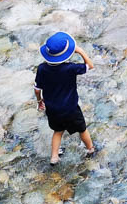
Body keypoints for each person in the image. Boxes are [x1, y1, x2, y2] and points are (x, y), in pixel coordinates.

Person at [33, 31, 96, 165]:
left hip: (53, 109)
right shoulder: (71, 68)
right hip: (71, 108)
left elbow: (37, 89)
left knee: (58, 131)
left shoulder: (42, 68)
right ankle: (90, 149)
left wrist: (39, 102)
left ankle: (54, 157)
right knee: (82, 129)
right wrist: (80, 51)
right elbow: (90, 65)